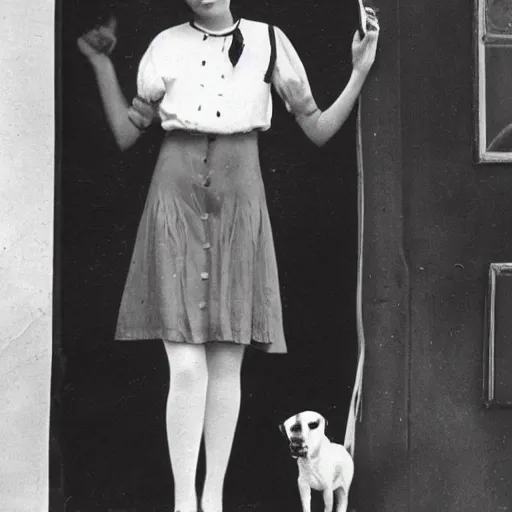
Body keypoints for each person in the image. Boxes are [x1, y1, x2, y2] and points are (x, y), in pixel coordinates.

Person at [77, 2, 379, 511]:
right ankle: (182, 502)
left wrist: (360, 70)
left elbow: (317, 127)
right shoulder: (166, 45)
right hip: (175, 194)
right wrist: (99, 62)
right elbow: (129, 131)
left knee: (224, 367)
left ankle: (211, 500)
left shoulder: (271, 42)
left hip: (240, 195)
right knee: (188, 369)